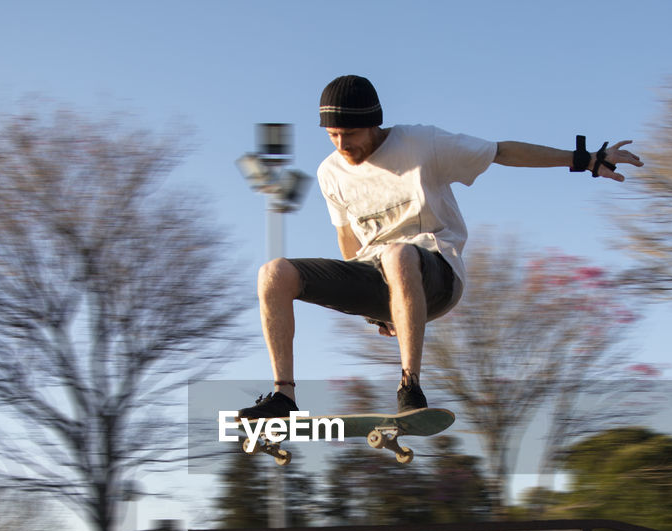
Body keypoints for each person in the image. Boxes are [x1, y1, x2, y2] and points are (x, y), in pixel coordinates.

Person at [237, 74, 642, 420]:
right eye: (333, 135)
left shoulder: (422, 143)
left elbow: (500, 152)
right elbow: (347, 237)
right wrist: (368, 307)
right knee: (274, 273)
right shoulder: (331, 172)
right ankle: (283, 397)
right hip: (378, 276)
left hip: (438, 275)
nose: (343, 145)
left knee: (398, 253)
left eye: (352, 135)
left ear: (375, 125)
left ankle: (409, 387)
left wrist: (584, 159)